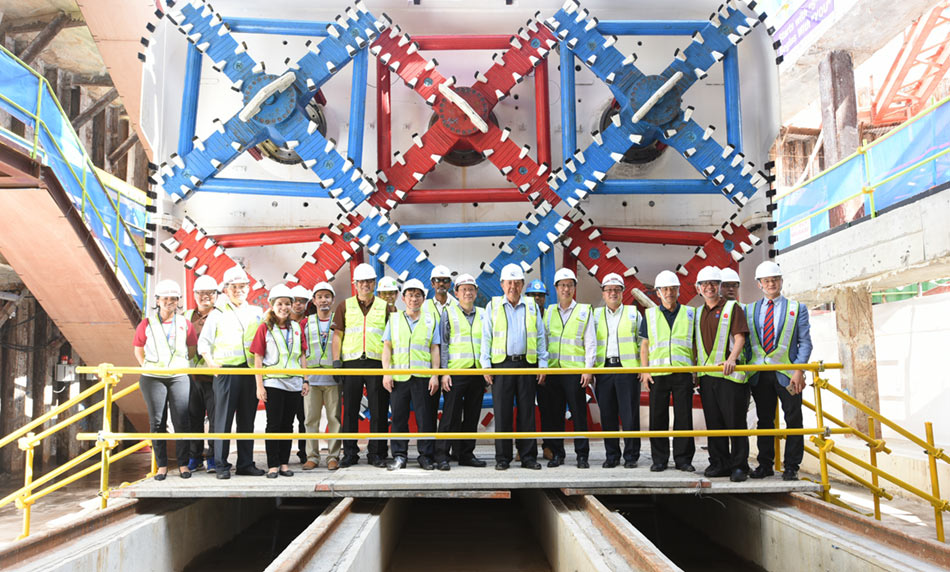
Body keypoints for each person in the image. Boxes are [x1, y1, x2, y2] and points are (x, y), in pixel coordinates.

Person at [746, 261, 813, 481]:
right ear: (759, 284)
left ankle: (792, 466)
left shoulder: (797, 308)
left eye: (775, 279)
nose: (771, 283)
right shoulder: (750, 310)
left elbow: (805, 343)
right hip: (760, 374)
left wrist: (798, 370)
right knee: (765, 420)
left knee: (793, 419)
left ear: (781, 281)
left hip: (787, 374)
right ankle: (765, 465)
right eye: (766, 280)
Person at [198, 265, 266, 479]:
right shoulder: (217, 314)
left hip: (248, 372)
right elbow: (203, 343)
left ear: (248, 288)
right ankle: (221, 465)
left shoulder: (256, 313)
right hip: (226, 372)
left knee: (247, 420)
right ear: (226, 290)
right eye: (234, 287)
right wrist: (211, 363)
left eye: (242, 286)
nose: (239, 290)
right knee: (223, 422)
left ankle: (245, 463)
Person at [480, 264, 548, 471]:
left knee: (527, 412)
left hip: (527, 364)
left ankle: (528, 456)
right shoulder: (493, 306)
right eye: (509, 282)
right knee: (502, 413)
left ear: (522, 284)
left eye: (517, 282)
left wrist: (542, 364)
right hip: (502, 364)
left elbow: (540, 336)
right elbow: (486, 337)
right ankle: (502, 458)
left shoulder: (531, 305)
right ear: (501, 284)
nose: (513, 286)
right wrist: (486, 365)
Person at [132, 279, 197, 480]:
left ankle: (183, 464)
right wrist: (148, 366)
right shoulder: (147, 324)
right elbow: (138, 350)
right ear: (157, 300)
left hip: (178, 377)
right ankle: (161, 466)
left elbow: (192, 350)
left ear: (178, 301)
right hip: (153, 378)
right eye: (165, 298)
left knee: (181, 421)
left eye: (173, 298)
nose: (169, 301)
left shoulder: (184, 324)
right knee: (157, 421)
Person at [693, 266, 750, 482]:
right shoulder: (698, 312)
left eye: (713, 284)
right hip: (707, 377)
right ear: (698, 288)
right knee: (714, 422)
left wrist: (732, 358)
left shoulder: (732, 308)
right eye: (705, 284)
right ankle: (719, 463)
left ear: (719, 286)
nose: (709, 287)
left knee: (735, 422)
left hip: (730, 377)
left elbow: (740, 337)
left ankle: (739, 466)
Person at [331, 263, 391, 468]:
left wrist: (389, 368)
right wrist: (336, 362)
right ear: (354, 283)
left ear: (374, 283)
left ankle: (377, 453)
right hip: (351, 364)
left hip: (377, 364)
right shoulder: (344, 306)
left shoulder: (385, 307)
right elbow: (337, 335)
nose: (366, 284)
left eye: (369, 281)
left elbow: (391, 340)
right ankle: (350, 453)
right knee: (350, 411)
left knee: (379, 409)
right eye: (362, 281)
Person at [639, 270, 697, 473]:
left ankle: (683, 460)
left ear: (679, 291)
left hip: (683, 373)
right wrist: (645, 371)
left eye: (673, 288)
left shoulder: (691, 313)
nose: (669, 292)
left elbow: (695, 344)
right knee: (658, 417)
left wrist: (696, 371)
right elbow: (644, 345)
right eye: (665, 289)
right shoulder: (650, 314)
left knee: (684, 417)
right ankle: (660, 460)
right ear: (658, 292)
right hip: (657, 374)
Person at [251, 285, 309, 478]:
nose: (283, 307)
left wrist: (305, 379)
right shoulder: (265, 328)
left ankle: (284, 463)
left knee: (288, 424)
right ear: (272, 305)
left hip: (293, 383)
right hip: (273, 383)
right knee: (274, 424)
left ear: (291, 306)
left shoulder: (296, 328)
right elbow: (257, 358)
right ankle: (273, 465)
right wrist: (259, 385)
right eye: (279, 304)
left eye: (287, 304)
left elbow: (302, 355)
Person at [382, 279, 440, 470]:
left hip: (423, 377)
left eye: (417, 295)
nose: (414, 299)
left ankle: (426, 456)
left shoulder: (431, 319)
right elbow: (387, 347)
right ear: (403, 298)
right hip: (399, 377)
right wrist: (387, 373)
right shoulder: (395, 319)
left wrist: (434, 375)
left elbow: (434, 348)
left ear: (424, 298)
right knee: (398, 418)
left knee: (426, 418)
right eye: (410, 295)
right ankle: (399, 455)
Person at [435, 274, 488, 470]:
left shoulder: (483, 314)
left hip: (477, 373)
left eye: (471, 289)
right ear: (456, 293)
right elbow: (444, 344)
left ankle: (466, 453)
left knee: (473, 415)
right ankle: (441, 455)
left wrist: (486, 370)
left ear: (476, 292)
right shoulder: (448, 313)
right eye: (463, 289)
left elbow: (487, 343)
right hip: (455, 372)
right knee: (450, 415)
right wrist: (445, 372)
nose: (468, 292)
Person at [543, 268, 594, 468]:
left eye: (570, 285)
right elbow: (543, 343)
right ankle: (557, 453)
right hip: (554, 372)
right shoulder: (548, 313)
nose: (566, 289)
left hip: (575, 372)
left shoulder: (583, 310)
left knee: (579, 413)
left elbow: (590, 342)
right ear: (556, 288)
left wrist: (588, 369)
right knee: (555, 415)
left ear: (574, 288)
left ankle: (582, 455)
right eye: (562, 285)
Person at [592, 273, 643, 469]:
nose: (612, 293)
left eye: (616, 289)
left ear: (623, 292)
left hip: (628, 370)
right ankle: (611, 455)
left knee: (630, 415)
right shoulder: (595, 315)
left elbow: (642, 342)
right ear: (603, 293)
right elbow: (590, 342)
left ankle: (631, 456)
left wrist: (642, 368)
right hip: (604, 370)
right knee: (608, 414)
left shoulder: (633, 313)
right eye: (609, 290)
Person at [302, 282, 341, 471]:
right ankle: (312, 456)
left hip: (332, 377)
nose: (323, 300)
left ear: (333, 300)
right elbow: (301, 351)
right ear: (314, 300)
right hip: (312, 378)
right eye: (320, 296)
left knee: (334, 418)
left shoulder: (339, 320)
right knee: (311, 419)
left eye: (327, 296)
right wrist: (304, 377)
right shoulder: (306, 322)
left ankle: (333, 456)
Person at [185, 274, 219, 473]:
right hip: (191, 376)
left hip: (214, 376)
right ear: (195, 295)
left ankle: (213, 457)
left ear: (216, 295)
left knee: (216, 420)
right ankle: (195, 457)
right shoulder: (187, 316)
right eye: (201, 293)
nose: (205, 296)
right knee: (193, 418)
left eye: (210, 293)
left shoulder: (221, 315)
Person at [421, 265, 456, 449]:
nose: (441, 284)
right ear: (432, 283)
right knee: (428, 410)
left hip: (452, 363)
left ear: (450, 284)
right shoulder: (424, 306)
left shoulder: (457, 305)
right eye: (437, 280)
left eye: (445, 280)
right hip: (430, 365)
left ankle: (446, 451)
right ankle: (429, 452)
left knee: (452, 411)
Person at [525, 278, 554, 461]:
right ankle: (525, 448)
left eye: (540, 295)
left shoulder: (552, 315)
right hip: (526, 367)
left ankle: (549, 446)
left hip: (547, 369)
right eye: (533, 295)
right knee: (525, 410)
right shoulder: (523, 314)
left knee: (548, 409)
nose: (537, 298)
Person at [289, 285, 312, 464]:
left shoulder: (311, 322)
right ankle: (282, 455)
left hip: (305, 376)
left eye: (302, 301)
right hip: (285, 377)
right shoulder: (279, 322)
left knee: (305, 417)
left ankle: (305, 452)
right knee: (286, 419)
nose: (298, 304)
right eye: (295, 300)